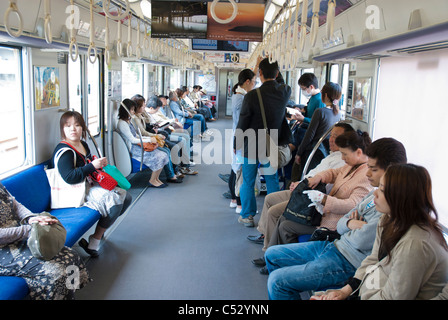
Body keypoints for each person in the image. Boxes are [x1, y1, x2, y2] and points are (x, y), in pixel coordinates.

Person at [265, 138, 408, 299]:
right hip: (335, 245)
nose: (368, 173)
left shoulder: (390, 207)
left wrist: (348, 223)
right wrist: (351, 223)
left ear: (391, 170)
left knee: (277, 282)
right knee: (271, 254)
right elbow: (343, 223)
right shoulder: (373, 193)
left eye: (373, 169)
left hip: (347, 261)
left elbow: (362, 241)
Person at [311, 164, 448, 300]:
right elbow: (373, 259)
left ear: (400, 197)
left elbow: (393, 297)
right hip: (369, 291)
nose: (375, 193)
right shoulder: (388, 219)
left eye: (382, 189)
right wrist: (345, 291)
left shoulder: (415, 244)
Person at [249, 123, 354, 251]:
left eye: (336, 137)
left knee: (275, 212)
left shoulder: (342, 161)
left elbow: (326, 189)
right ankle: (266, 235)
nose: (331, 139)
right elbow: (325, 174)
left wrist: (303, 185)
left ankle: (268, 249)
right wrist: (301, 182)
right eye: (331, 136)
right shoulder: (333, 156)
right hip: (303, 188)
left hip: (310, 196)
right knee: (270, 198)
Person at [51, 111, 132, 257]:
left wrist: (97, 165)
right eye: (68, 126)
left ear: (83, 128)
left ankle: (100, 233)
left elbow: (87, 165)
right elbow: (69, 177)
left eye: (77, 125)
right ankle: (95, 240)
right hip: (74, 191)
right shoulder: (65, 151)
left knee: (127, 198)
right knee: (115, 201)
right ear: (62, 129)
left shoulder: (82, 144)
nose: (73, 129)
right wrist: (92, 166)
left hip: (87, 184)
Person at [0, 183, 90, 299]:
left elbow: (15, 205)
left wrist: (31, 218)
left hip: (19, 236)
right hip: (4, 248)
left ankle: (68, 295)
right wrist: (29, 230)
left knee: (71, 255)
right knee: (55, 272)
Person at [234, 57, 292, 227]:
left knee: (248, 180)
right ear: (278, 73)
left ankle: (247, 215)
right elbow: (280, 81)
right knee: (272, 179)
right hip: (272, 140)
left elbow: (243, 122)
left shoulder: (252, 96)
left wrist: (236, 143)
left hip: (251, 142)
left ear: (259, 74)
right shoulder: (285, 91)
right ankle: (272, 217)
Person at [291, 82, 343, 181]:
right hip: (325, 151)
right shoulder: (338, 114)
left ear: (326, 95)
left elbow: (309, 135)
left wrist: (299, 153)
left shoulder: (320, 112)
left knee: (305, 178)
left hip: (313, 152)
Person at [117, 99, 169, 188]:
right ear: (126, 110)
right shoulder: (122, 123)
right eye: (132, 109)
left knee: (164, 154)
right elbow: (132, 140)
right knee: (160, 156)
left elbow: (137, 135)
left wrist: (150, 138)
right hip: (133, 150)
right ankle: (152, 180)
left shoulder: (128, 121)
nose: (133, 112)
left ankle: (156, 178)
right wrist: (148, 139)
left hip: (137, 146)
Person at [228, 68, 256, 213]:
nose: (254, 85)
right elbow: (242, 122)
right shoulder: (241, 98)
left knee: (236, 168)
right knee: (239, 169)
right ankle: (239, 202)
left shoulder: (238, 95)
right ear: (247, 82)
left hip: (238, 135)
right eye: (253, 82)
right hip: (241, 137)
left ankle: (234, 199)